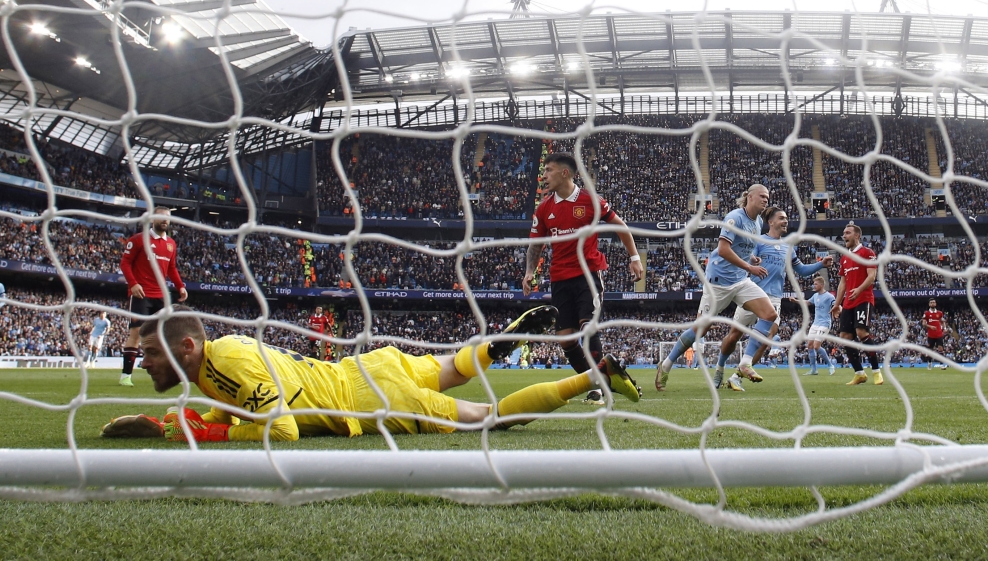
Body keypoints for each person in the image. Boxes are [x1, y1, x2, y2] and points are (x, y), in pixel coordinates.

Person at [101, 304, 640, 442]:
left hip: (367, 399)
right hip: (364, 367)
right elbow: (236, 409)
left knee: (488, 417)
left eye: (148, 354)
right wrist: (177, 424)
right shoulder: (214, 364)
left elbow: (281, 429)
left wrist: (196, 431)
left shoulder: (232, 359)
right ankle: (506, 339)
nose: (141, 360)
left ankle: (590, 379)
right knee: (454, 367)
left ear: (187, 346)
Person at [522, 152, 642, 403]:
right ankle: (603, 381)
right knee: (566, 339)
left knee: (588, 328)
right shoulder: (544, 208)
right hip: (560, 278)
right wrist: (529, 272)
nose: (544, 176)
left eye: (549, 171)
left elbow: (620, 226)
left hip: (588, 274)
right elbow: (535, 245)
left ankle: (597, 389)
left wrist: (634, 258)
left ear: (565, 173)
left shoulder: (590, 200)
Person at [656, 184, 777, 392]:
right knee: (699, 330)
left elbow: (742, 248)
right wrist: (749, 266)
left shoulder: (757, 222)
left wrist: (751, 258)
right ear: (749, 197)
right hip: (718, 284)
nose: (766, 200)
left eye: (768, 197)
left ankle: (745, 362)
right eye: (762, 196)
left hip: (740, 281)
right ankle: (666, 364)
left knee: (769, 314)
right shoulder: (734, 217)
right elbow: (723, 249)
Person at [711, 207, 832, 391]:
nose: (785, 221)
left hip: (774, 299)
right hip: (753, 294)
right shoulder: (758, 241)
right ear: (771, 222)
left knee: (766, 338)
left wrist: (820, 264)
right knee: (734, 335)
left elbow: (800, 270)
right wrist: (751, 263)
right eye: (781, 218)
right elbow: (745, 259)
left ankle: (737, 376)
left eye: (786, 218)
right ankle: (719, 368)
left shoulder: (789, 247)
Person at [118, 206, 188, 387]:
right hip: (142, 294)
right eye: (161, 217)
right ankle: (126, 375)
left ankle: (171, 375)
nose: (165, 221)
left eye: (168, 218)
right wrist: (133, 284)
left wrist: (180, 286)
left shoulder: (171, 244)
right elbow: (125, 263)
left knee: (167, 335)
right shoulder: (139, 240)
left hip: (161, 295)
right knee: (136, 333)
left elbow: (171, 268)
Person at [832, 223, 881, 386]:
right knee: (845, 337)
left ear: (857, 236)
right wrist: (837, 304)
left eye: (847, 233)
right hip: (848, 302)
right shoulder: (845, 257)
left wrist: (859, 290)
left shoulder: (867, 253)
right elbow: (843, 283)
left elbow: (872, 276)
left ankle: (876, 371)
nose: (844, 236)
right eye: (843, 233)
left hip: (864, 298)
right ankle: (859, 373)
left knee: (861, 332)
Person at [799, 276, 837, 376]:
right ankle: (814, 370)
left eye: (816, 284)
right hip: (815, 323)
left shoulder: (829, 296)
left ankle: (830, 365)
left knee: (816, 346)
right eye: (814, 284)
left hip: (825, 323)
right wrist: (796, 301)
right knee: (810, 346)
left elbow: (836, 305)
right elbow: (807, 302)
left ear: (821, 285)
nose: (814, 286)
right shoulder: (815, 296)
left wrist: (838, 310)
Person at [922, 298, 947, 370]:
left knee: (941, 349)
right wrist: (930, 326)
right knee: (930, 350)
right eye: (931, 302)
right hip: (931, 335)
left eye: (934, 302)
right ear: (929, 304)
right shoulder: (926, 313)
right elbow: (923, 323)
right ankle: (929, 363)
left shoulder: (939, 313)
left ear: (935, 304)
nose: (933, 303)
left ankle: (941, 365)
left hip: (939, 334)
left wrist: (944, 329)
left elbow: (942, 321)